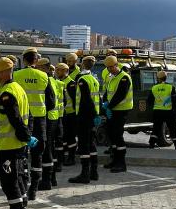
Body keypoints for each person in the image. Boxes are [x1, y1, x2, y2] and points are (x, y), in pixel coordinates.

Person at [0, 57, 38, 209]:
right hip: (17, 146)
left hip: (9, 147)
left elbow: (16, 119)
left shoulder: (7, 94)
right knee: (19, 182)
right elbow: (30, 115)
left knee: (10, 186)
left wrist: (26, 136)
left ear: (3, 72)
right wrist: (29, 136)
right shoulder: (18, 89)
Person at [14, 47, 56, 200]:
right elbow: (51, 102)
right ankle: (34, 189)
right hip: (39, 120)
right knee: (38, 154)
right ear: (36, 60)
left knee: (21, 153)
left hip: (22, 119)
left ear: (24, 59)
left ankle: (23, 187)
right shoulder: (44, 76)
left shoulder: (16, 75)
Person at [68, 56, 100, 184]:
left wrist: (92, 114)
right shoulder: (94, 79)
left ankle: (85, 174)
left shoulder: (82, 79)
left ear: (82, 65)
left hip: (84, 116)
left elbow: (86, 100)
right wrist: (97, 114)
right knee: (91, 144)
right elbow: (97, 98)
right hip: (92, 117)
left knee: (84, 145)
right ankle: (94, 172)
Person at [101, 55, 133, 173]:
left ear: (117, 65)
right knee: (111, 135)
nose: (110, 69)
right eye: (108, 68)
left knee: (118, 135)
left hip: (122, 110)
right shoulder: (110, 77)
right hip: (113, 110)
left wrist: (109, 106)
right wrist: (104, 103)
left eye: (111, 67)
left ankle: (121, 163)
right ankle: (114, 160)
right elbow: (107, 92)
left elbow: (120, 95)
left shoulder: (124, 78)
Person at [35, 58, 59, 190]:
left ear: (44, 67)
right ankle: (52, 178)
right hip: (54, 117)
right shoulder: (53, 80)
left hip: (48, 118)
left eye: (38, 67)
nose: (36, 69)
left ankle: (47, 181)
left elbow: (50, 102)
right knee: (51, 149)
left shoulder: (46, 79)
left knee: (46, 150)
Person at [148, 71, 176, 150]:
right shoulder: (171, 87)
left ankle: (151, 145)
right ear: (166, 77)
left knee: (156, 129)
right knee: (172, 129)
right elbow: (175, 100)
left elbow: (149, 101)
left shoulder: (154, 88)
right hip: (169, 112)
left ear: (158, 78)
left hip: (157, 112)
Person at [57, 63, 78, 166]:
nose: (57, 72)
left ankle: (71, 157)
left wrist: (76, 114)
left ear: (65, 71)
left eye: (59, 70)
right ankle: (65, 156)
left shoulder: (71, 83)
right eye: (57, 70)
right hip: (63, 114)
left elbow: (75, 100)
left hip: (71, 114)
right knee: (64, 137)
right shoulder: (60, 82)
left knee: (70, 137)